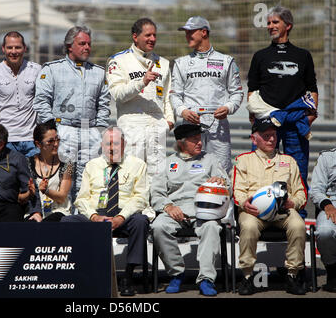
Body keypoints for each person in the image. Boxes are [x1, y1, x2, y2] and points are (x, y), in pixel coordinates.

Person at [247, 6, 318, 218]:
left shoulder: (303, 55)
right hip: (267, 123)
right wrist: (256, 119)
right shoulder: (260, 56)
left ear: (288, 26)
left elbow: (312, 88)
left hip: (295, 123)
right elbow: (252, 90)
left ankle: (299, 215)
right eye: (268, 23)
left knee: (298, 170)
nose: (270, 26)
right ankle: (257, 214)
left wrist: (311, 116)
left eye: (275, 22)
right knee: (258, 170)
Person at [61, 126, 149, 296]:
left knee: (141, 221)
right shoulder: (92, 165)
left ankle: (128, 277)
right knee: (67, 222)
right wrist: (94, 217)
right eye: (108, 144)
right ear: (101, 146)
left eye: (116, 143)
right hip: (97, 216)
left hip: (124, 216)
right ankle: (80, 273)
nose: (112, 148)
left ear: (124, 144)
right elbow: (82, 198)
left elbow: (140, 198)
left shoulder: (138, 165)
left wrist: (121, 217)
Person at [33, 26, 111, 205]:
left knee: (89, 180)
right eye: (82, 43)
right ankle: (62, 220)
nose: (87, 47)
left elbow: (104, 103)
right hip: (63, 130)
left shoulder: (98, 72)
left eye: (89, 44)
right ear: (69, 46)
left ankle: (84, 220)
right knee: (62, 180)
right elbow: (41, 101)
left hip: (89, 131)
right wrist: (54, 130)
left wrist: (99, 130)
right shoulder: (52, 69)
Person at [105, 18, 174, 218]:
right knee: (132, 173)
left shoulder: (164, 63)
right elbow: (117, 94)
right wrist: (141, 82)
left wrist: (169, 121)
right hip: (132, 123)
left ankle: (155, 217)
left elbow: (167, 96)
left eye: (155, 35)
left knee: (157, 174)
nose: (152, 39)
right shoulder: (119, 60)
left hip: (156, 126)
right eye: (148, 35)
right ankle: (131, 218)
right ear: (135, 37)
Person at [150, 124, 230, 296]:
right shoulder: (168, 163)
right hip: (175, 210)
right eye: (194, 140)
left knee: (211, 227)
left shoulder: (210, 160)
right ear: (181, 143)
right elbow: (156, 192)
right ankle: (177, 273)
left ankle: (206, 279)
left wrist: (221, 181)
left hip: (205, 210)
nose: (199, 143)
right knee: (158, 227)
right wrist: (168, 206)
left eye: (199, 139)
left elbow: (227, 183)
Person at [232, 118, 308, 295]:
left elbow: (301, 193)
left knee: (298, 226)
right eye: (266, 136)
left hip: (283, 211)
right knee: (249, 227)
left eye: (273, 135)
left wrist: (293, 203)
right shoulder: (243, 160)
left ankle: (292, 274)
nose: (271, 139)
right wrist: (245, 203)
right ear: (254, 139)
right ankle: (248, 276)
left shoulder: (288, 161)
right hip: (254, 212)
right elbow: (238, 191)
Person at [171, 16, 243, 174]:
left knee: (221, 170)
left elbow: (237, 92)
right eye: (186, 32)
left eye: (191, 32)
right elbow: (174, 95)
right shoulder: (181, 63)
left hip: (218, 125)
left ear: (204, 32)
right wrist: (183, 111)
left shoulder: (226, 61)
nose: (187, 36)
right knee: (190, 171)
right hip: (190, 124)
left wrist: (228, 108)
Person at [0, 31, 42, 157]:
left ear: (25, 48)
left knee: (33, 177)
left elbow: (43, 103)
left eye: (18, 47)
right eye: (10, 47)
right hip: (4, 140)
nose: (13, 51)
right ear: (3, 49)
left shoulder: (37, 70)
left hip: (31, 140)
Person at [26, 120, 73, 222]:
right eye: (50, 141)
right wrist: (29, 193)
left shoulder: (67, 164)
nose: (55, 144)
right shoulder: (27, 163)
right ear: (38, 144)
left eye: (57, 140)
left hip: (58, 212)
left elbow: (62, 197)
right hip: (35, 212)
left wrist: (46, 191)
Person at [309, 148, 336, 292]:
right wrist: (327, 205)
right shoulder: (327, 157)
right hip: (331, 203)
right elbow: (316, 189)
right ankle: (332, 270)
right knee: (325, 232)